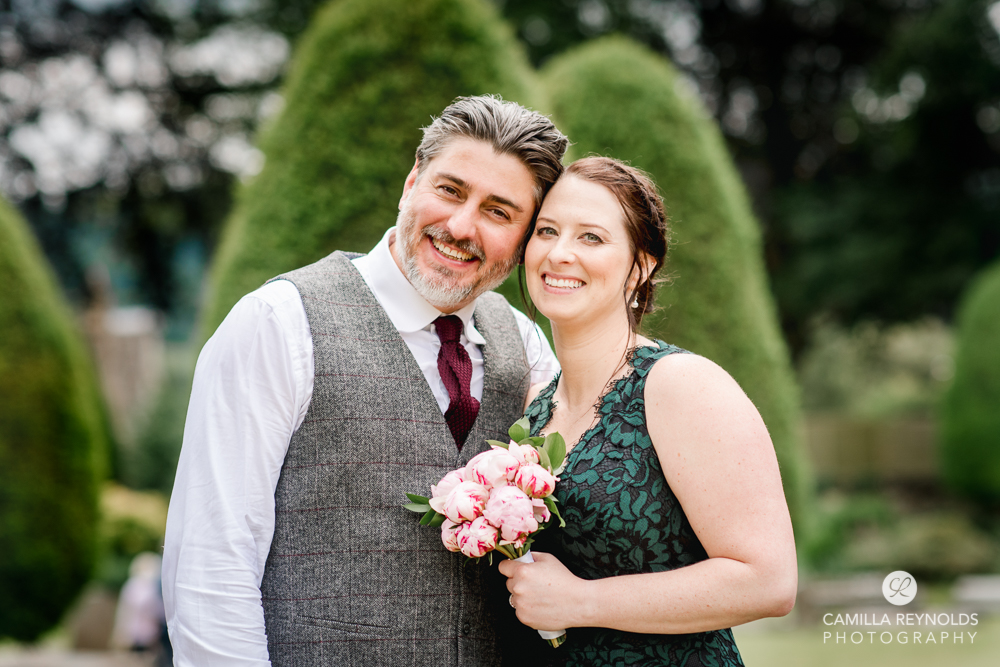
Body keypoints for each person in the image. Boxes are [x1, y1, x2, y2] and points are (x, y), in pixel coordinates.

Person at [162, 95, 568, 667]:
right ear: (411, 183)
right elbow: (212, 557)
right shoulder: (278, 322)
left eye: (499, 212)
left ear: (527, 238)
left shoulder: (525, 344)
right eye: (449, 190)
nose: (460, 225)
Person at [498, 157, 798, 666]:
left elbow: (768, 581)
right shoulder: (535, 408)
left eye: (591, 237)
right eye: (547, 231)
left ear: (641, 265)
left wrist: (581, 602)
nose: (560, 253)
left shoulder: (680, 386)